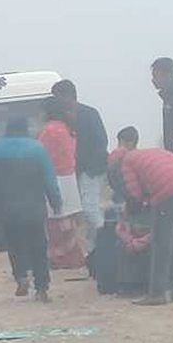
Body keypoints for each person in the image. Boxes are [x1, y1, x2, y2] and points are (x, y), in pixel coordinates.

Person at [108, 126, 173, 305]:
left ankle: (157, 293)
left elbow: (135, 195)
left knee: (162, 241)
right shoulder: (146, 153)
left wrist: (131, 211)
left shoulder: (125, 163)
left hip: (170, 187)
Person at [0, 117, 61, 302]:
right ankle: (41, 287)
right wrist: (55, 201)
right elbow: (49, 179)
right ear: (25, 129)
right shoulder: (37, 149)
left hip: (6, 208)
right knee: (38, 246)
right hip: (34, 207)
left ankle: (21, 276)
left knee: (14, 244)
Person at [51, 80, 108, 246]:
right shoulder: (61, 119)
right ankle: (94, 245)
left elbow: (101, 141)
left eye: (57, 96)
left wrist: (90, 169)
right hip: (73, 172)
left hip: (92, 170)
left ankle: (105, 240)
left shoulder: (89, 114)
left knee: (90, 209)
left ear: (68, 96)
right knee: (80, 212)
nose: (56, 101)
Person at [38, 99, 85, 269]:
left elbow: (41, 155)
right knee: (68, 222)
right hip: (69, 178)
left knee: (55, 223)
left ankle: (59, 259)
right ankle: (73, 257)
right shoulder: (67, 128)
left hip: (55, 178)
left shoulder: (49, 130)